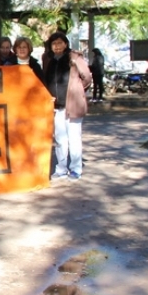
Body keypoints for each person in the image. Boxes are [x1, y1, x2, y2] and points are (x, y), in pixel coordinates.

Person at [43, 31, 92, 182]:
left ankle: (76, 169)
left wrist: (77, 89)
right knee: (59, 139)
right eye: (54, 43)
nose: (57, 46)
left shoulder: (74, 57)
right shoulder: (48, 59)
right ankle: (61, 168)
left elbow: (87, 77)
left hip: (73, 104)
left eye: (60, 43)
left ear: (65, 44)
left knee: (74, 138)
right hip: (56, 106)